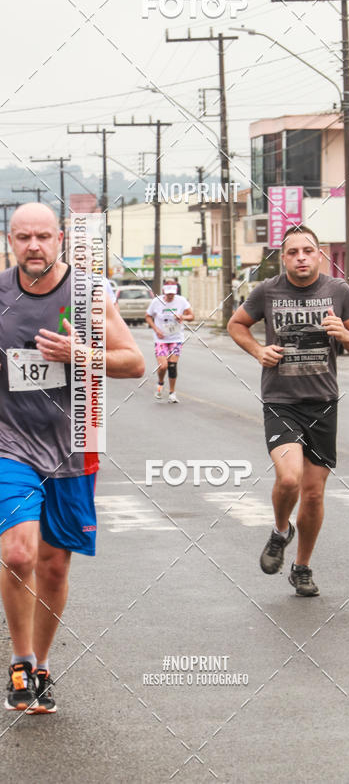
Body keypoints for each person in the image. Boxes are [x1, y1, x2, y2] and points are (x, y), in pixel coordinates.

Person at [0, 203, 144, 713]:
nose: (33, 246)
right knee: (19, 554)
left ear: (60, 239)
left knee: (54, 565)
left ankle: (41, 665)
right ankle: (19, 662)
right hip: (10, 443)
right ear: (10, 241)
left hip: (73, 444)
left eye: (43, 236)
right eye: (23, 237)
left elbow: (134, 363)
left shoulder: (86, 295)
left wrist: (79, 355)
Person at [227, 225, 349, 596]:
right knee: (289, 479)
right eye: (292, 252)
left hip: (322, 403)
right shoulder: (267, 290)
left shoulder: (339, 291)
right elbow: (236, 324)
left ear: (319, 255)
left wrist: (345, 334)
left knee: (314, 494)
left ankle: (302, 567)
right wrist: (259, 351)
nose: (301, 258)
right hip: (281, 401)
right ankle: (280, 531)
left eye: (308, 251)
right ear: (283, 258)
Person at [145, 277, 194, 404]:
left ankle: (172, 393)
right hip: (161, 339)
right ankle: (160, 383)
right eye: (168, 293)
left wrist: (183, 317)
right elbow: (148, 316)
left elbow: (192, 316)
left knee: (172, 366)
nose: (171, 295)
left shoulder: (181, 301)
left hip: (176, 338)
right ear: (164, 291)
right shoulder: (156, 302)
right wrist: (156, 329)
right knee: (163, 366)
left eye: (172, 293)